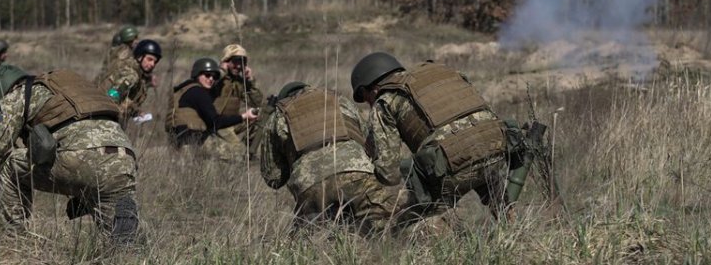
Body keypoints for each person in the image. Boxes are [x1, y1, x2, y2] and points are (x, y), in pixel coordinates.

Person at [0, 65, 139, 245]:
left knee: (11, 164)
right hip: (124, 159)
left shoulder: (20, 93)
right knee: (121, 241)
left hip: (81, 159)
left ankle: (13, 240)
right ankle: (130, 247)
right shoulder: (66, 87)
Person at [351, 52, 511, 220]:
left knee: (410, 220)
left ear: (370, 88)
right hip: (498, 151)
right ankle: (510, 219)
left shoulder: (385, 100)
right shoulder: (443, 74)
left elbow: (389, 173)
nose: (369, 104)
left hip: (453, 171)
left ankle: (439, 229)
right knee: (477, 152)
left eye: (366, 98)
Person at [261, 81, 400, 234]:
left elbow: (273, 177)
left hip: (310, 186)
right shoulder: (340, 100)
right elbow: (369, 142)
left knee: (311, 245)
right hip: (357, 171)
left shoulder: (277, 115)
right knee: (386, 229)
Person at [165, 57, 258, 160]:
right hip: (192, 143)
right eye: (207, 75)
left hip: (177, 144)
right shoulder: (198, 92)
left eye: (214, 77)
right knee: (240, 153)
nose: (211, 79)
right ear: (197, 74)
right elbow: (215, 122)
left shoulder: (184, 89)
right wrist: (244, 116)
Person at [212, 44, 270, 157]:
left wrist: (250, 81)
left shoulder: (239, 82)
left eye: (242, 62)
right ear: (226, 61)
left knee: (261, 116)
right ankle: (240, 153)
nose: (238, 66)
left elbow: (257, 102)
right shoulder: (214, 78)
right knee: (238, 152)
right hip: (218, 124)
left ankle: (250, 152)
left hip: (233, 122)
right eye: (235, 61)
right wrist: (222, 71)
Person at [96, 39, 162, 127]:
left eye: (155, 62)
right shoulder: (131, 75)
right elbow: (112, 95)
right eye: (149, 59)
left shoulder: (136, 73)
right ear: (139, 57)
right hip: (103, 120)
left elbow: (125, 99)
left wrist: (135, 111)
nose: (152, 64)